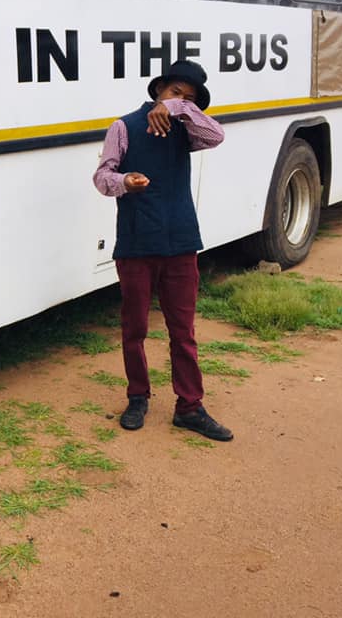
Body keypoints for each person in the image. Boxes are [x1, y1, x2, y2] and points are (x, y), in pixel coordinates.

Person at [92, 60, 233, 441]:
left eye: (190, 98)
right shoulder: (124, 127)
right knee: (135, 328)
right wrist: (125, 181)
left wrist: (177, 108)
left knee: (183, 331)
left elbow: (217, 135)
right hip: (137, 243)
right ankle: (137, 397)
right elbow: (102, 176)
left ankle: (189, 407)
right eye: (175, 92)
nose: (182, 100)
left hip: (181, 242)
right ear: (158, 88)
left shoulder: (188, 129)